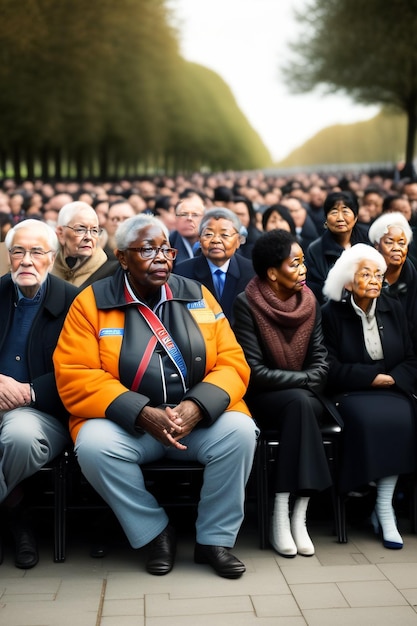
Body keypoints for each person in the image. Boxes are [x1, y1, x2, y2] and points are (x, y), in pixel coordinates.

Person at [53, 214, 258, 578]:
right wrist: (141, 412)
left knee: (241, 433)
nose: (161, 257)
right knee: (94, 447)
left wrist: (198, 406)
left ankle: (215, 539)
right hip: (131, 427)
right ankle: (154, 533)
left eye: (166, 249)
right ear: (122, 258)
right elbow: (75, 375)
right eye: (147, 249)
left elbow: (233, 361)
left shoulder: (197, 295)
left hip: (195, 423)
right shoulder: (91, 304)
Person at [233, 230, 336, 558]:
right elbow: (255, 370)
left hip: (304, 397)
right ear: (272, 273)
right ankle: (283, 514)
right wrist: (305, 379)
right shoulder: (246, 303)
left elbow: (322, 361)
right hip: (265, 398)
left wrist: (305, 379)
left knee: (301, 405)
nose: (304, 269)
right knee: (300, 403)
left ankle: (295, 513)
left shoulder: (310, 301)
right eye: (295, 263)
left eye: (304, 261)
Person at [321, 244, 417, 550]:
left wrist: (392, 379)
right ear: (349, 281)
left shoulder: (393, 307)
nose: (376, 279)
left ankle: (384, 506)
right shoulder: (330, 314)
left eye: (379, 273)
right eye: (366, 273)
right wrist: (369, 377)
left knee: (403, 418)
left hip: (392, 388)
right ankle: (371, 501)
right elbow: (328, 366)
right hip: (351, 392)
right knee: (370, 422)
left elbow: (412, 357)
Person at [0, 219, 77, 568]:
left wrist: (30, 391)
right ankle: (17, 512)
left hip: (44, 410)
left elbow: (82, 370)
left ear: (53, 256)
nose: (26, 261)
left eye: (36, 252)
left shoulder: (74, 302)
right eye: (18, 251)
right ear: (8, 256)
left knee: (20, 437)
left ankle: (15, 516)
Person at [173, 208, 255, 324]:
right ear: (200, 240)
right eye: (209, 234)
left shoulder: (251, 272)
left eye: (224, 235)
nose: (216, 240)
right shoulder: (182, 273)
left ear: (238, 241)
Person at [305, 191, 369, 304]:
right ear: (326, 218)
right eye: (334, 212)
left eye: (345, 212)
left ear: (356, 216)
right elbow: (315, 288)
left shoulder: (369, 240)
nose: (340, 218)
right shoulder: (315, 249)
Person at [367, 212, 417, 353]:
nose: (396, 248)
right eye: (389, 242)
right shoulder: (366, 278)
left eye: (402, 243)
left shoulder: (413, 277)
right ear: (377, 245)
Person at [51, 201, 119, 288]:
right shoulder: (47, 268)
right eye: (80, 230)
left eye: (94, 230)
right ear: (61, 233)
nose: (89, 237)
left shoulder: (112, 274)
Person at [169, 196, 206, 265]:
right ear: (175, 218)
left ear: (204, 220)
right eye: (184, 214)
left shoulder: (210, 243)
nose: (189, 218)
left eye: (195, 215)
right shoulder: (168, 242)